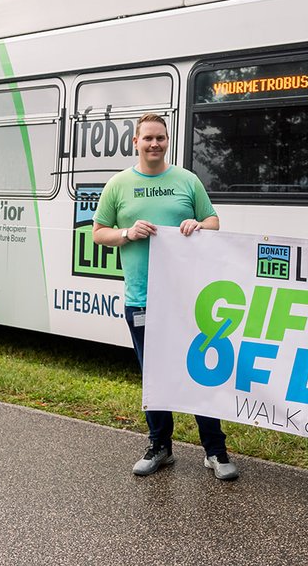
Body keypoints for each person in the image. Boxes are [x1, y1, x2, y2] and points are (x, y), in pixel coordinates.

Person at [92, 112, 238, 481]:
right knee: (154, 377)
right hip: (142, 298)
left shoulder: (187, 181)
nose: (154, 144)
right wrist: (126, 233)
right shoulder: (118, 185)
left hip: (187, 298)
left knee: (199, 372)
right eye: (148, 139)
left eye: (160, 138)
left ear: (166, 142)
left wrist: (197, 225)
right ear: (135, 142)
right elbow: (99, 233)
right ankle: (160, 447)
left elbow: (214, 222)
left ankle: (215, 451)